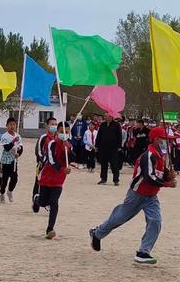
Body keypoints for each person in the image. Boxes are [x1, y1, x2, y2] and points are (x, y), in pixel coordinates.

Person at [90, 126, 177, 264]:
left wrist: (167, 176)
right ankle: (97, 233)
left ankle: (143, 252)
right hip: (137, 194)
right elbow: (149, 177)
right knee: (119, 218)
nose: (167, 142)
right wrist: (167, 184)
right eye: (164, 139)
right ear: (155, 139)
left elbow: (159, 173)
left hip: (151, 196)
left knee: (155, 221)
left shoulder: (161, 155)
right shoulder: (149, 155)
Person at [33, 122, 72, 239]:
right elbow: (51, 160)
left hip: (59, 180)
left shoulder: (69, 145)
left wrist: (68, 149)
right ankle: (37, 199)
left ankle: (50, 228)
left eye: (66, 131)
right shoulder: (51, 144)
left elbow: (72, 158)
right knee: (43, 202)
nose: (64, 133)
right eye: (61, 131)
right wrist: (62, 168)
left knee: (54, 202)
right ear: (57, 132)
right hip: (47, 177)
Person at [32, 117, 57, 201]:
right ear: (47, 126)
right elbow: (38, 151)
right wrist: (43, 161)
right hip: (42, 165)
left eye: (55, 124)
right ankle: (35, 199)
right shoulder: (43, 138)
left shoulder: (58, 138)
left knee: (52, 184)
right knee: (38, 183)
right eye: (52, 124)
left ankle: (49, 201)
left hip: (53, 167)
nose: (54, 126)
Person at [0, 117, 23, 203]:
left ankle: (10, 191)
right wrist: (13, 141)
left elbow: (21, 148)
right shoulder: (4, 136)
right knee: (4, 180)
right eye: (10, 124)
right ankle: (2, 193)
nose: (12, 126)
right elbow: (7, 148)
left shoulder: (18, 136)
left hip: (13, 161)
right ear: (7, 126)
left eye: (14, 124)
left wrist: (18, 154)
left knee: (14, 178)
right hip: (5, 161)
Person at [95, 112, 122, 186]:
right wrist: (97, 145)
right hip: (103, 148)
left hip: (113, 148)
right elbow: (99, 135)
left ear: (111, 117)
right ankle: (103, 179)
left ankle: (116, 180)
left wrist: (119, 146)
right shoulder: (103, 125)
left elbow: (119, 136)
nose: (105, 117)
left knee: (114, 164)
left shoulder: (116, 125)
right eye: (104, 116)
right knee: (104, 164)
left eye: (106, 116)